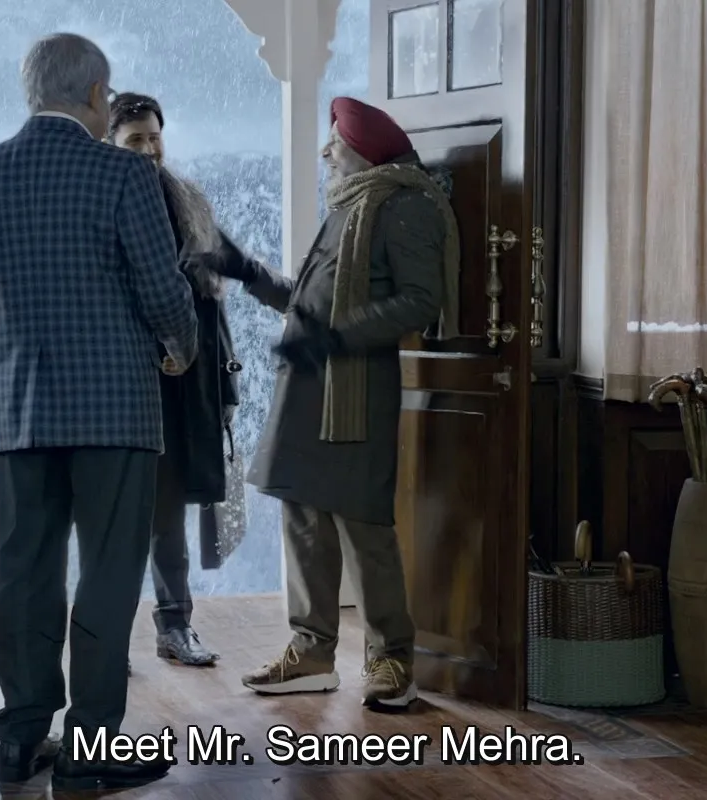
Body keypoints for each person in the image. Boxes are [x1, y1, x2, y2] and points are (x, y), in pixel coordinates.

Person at [0, 33, 196, 791]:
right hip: (115, 412)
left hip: (20, 412)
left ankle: (20, 741)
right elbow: (162, 289)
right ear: (93, 96)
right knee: (107, 578)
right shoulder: (124, 173)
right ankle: (88, 755)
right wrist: (180, 348)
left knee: (23, 574)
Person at [209, 97, 461, 712]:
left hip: (355, 393)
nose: (325, 152)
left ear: (363, 152)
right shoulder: (350, 206)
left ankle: (391, 659)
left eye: (336, 143)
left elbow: (420, 301)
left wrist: (336, 338)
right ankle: (311, 654)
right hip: (307, 389)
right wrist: (244, 270)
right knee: (302, 518)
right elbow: (308, 302)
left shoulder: (402, 206)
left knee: (362, 524)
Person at [104, 91, 245, 668]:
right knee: (113, 520)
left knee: (167, 516)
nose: (147, 149)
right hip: (118, 386)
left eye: (154, 137)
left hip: (183, 385)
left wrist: (227, 386)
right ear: (110, 142)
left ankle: (175, 626)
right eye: (134, 139)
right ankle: (106, 640)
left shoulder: (187, 200)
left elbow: (217, 295)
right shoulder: (98, 201)